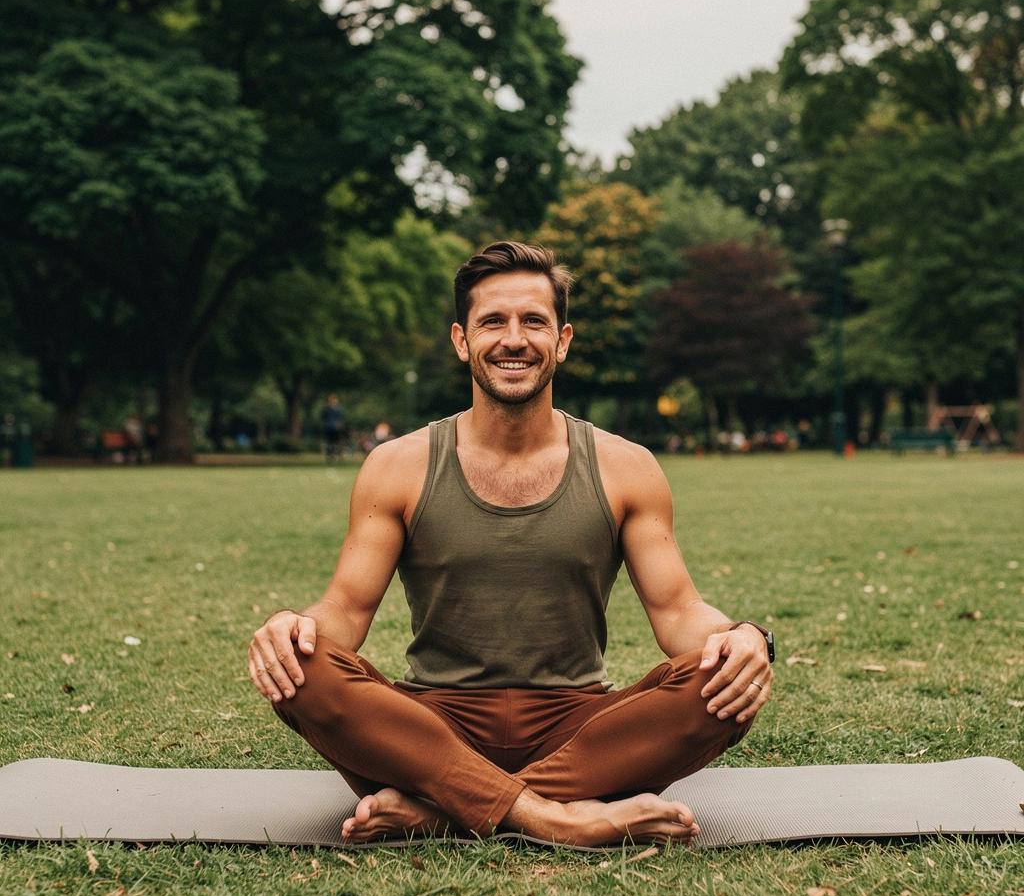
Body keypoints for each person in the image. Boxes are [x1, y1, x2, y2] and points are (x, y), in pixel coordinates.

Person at [247, 241, 775, 847]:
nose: (514, 339)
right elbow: (345, 611)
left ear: (564, 340)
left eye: (534, 322)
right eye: (493, 321)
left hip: (577, 730)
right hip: (429, 726)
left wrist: (743, 639)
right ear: (461, 340)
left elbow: (679, 612)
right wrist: (292, 631)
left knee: (722, 686)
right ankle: (553, 816)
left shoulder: (628, 468)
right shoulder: (397, 466)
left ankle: (445, 809)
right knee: (303, 669)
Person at [320, 394, 348, 462]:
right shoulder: (326, 409)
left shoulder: (339, 410)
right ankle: (330, 456)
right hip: (329, 428)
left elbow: (342, 419)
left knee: (338, 442)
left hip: (336, 429)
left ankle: (339, 456)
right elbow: (323, 418)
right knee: (329, 443)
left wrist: (340, 425)